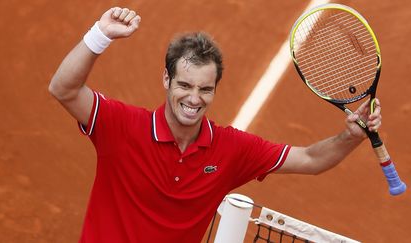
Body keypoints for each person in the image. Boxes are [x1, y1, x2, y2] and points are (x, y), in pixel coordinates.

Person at [49, 7, 382, 243]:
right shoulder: (121, 126)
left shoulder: (231, 149)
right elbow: (63, 89)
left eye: (205, 89)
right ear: (166, 79)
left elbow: (310, 159)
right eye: (185, 85)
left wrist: (351, 136)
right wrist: (99, 35)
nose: (194, 99)